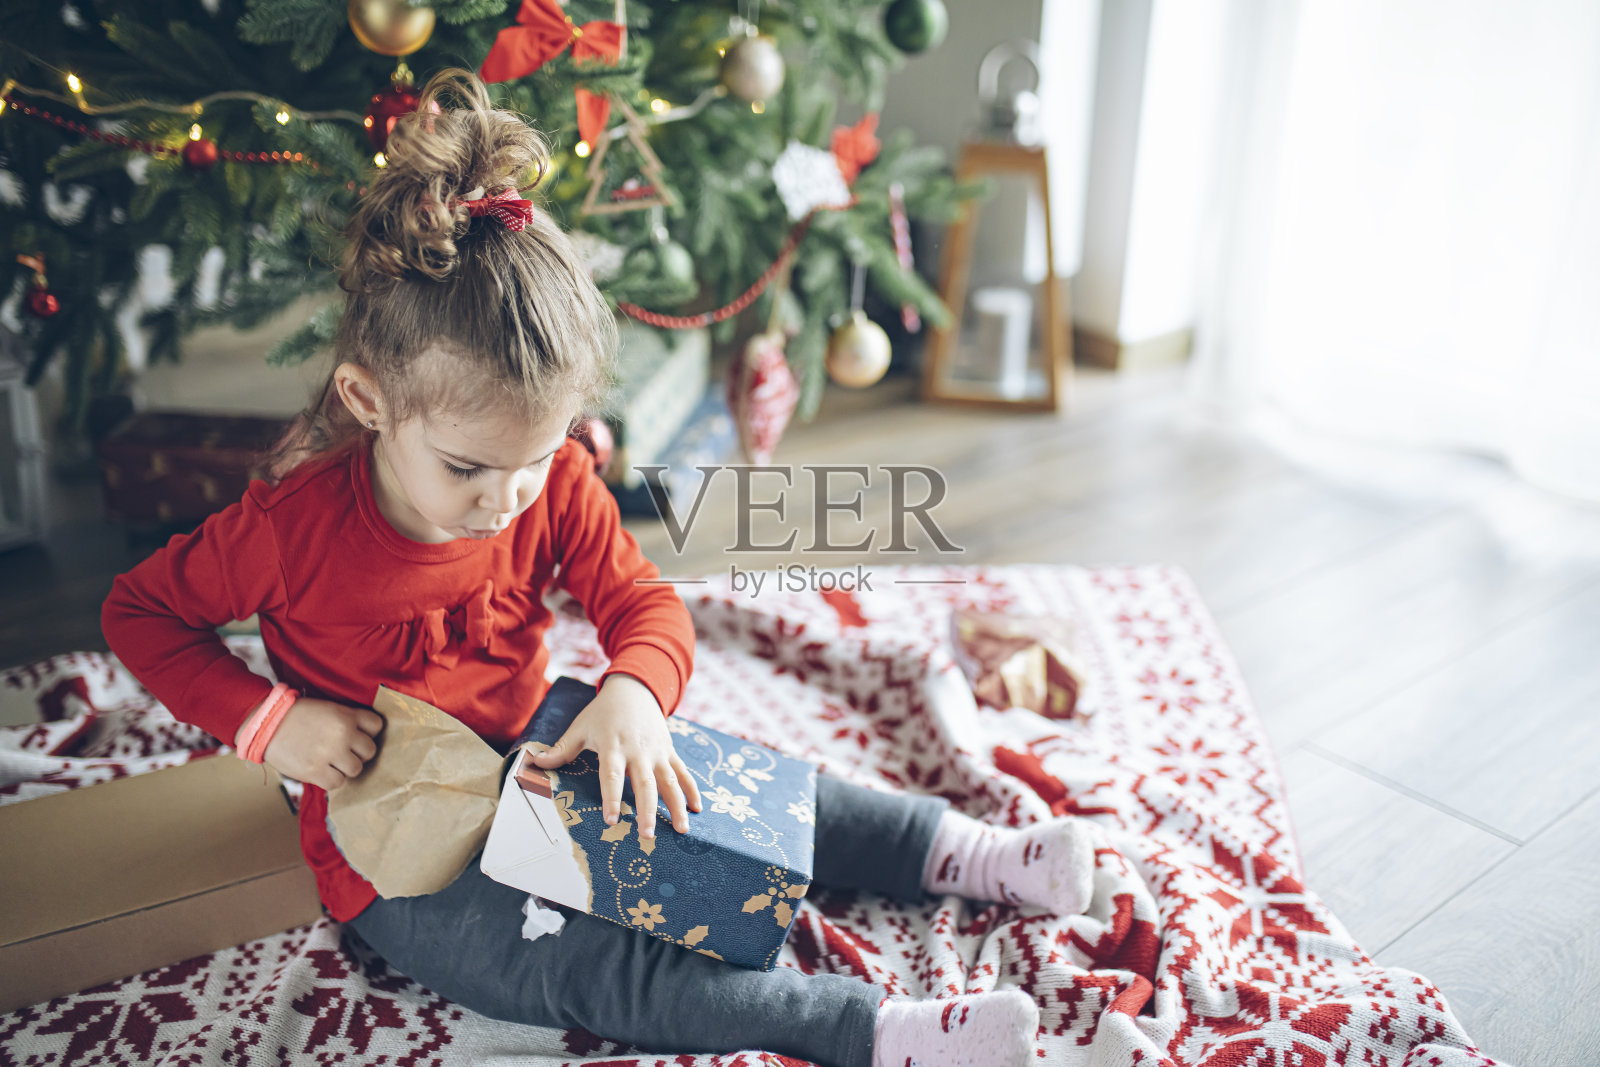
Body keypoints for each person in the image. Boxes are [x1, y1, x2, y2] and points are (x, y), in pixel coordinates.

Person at [101, 68, 1096, 1067]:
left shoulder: (555, 479)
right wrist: (271, 721)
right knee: (583, 967)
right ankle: (870, 1029)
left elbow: (643, 603)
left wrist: (633, 694)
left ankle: (971, 852)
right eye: (466, 468)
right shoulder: (290, 530)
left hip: (541, 749)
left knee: (752, 796)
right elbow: (139, 614)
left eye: (535, 459)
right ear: (368, 401)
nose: (505, 499)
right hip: (393, 837)